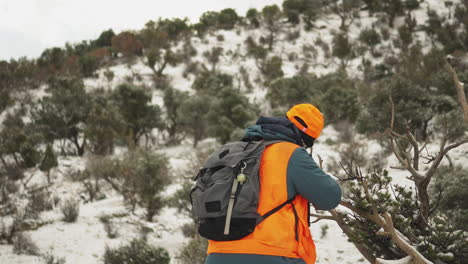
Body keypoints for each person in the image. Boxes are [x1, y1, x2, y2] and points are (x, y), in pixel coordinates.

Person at [205, 103, 342, 264]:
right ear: (307, 140)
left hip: (218, 254)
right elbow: (330, 197)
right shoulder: (292, 154)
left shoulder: (236, 152)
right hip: (273, 254)